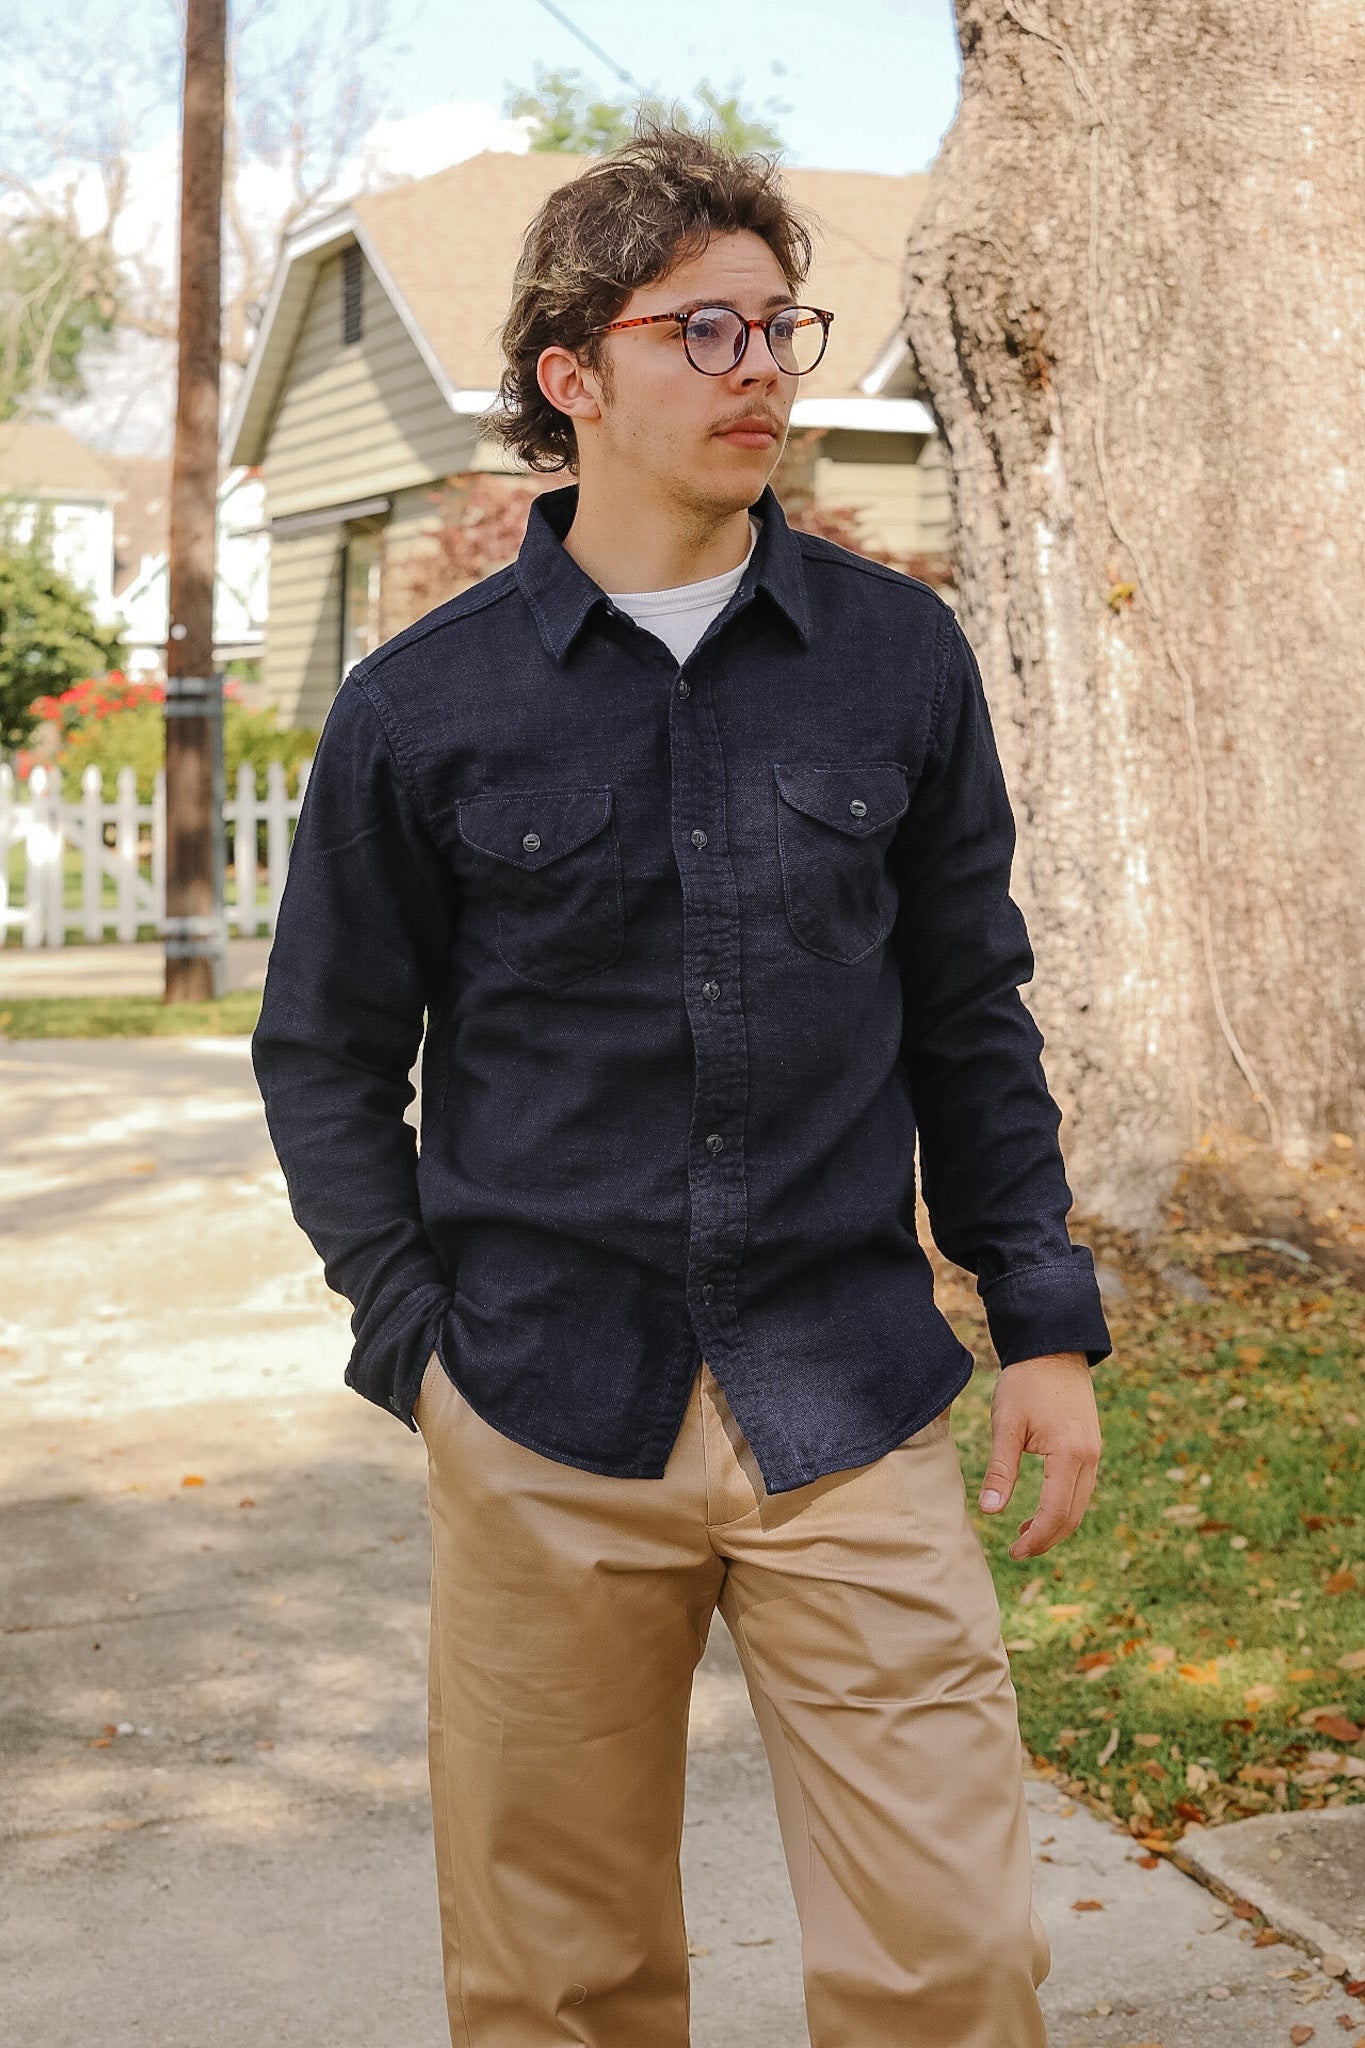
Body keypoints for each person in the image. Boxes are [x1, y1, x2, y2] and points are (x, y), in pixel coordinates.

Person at [251, 117, 1112, 2048]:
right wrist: (418, 1345)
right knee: (558, 1984)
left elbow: (968, 1004)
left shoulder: (898, 661)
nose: (756, 374)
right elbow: (323, 1047)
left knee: (954, 1964)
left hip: (850, 1398)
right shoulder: (425, 704)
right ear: (575, 377)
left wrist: (1039, 1320)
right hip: (545, 1405)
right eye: (699, 332)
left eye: (777, 330)